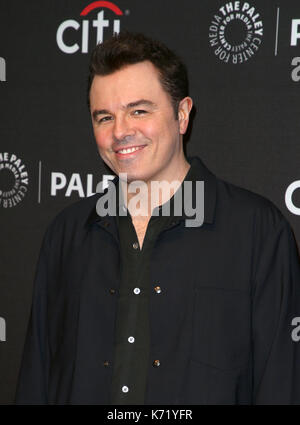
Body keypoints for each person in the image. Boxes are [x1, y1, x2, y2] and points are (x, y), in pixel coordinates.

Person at [15, 31, 300, 405]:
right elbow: (37, 380)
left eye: (138, 110)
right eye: (104, 117)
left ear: (182, 115)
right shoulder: (66, 235)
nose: (120, 132)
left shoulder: (257, 232)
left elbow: (281, 383)